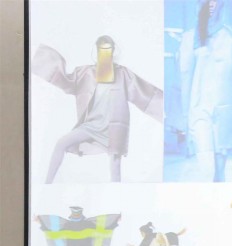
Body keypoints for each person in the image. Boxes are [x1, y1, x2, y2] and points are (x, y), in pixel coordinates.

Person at [32, 35, 163, 183]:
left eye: (108, 50)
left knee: (115, 163)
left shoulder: (123, 74)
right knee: (61, 143)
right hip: (91, 125)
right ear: (97, 51)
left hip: (113, 127)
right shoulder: (86, 72)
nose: (105, 53)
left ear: (113, 51)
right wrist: (44, 60)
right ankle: (47, 184)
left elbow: (145, 93)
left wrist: (165, 108)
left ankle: (117, 193)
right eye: (102, 50)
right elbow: (66, 81)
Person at [179, 0, 232, 182]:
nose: (211, 4)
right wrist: (182, 118)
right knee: (206, 166)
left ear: (222, 4)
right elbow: (183, 80)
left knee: (219, 170)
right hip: (199, 110)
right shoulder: (189, 38)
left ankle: (218, 197)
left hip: (226, 110)